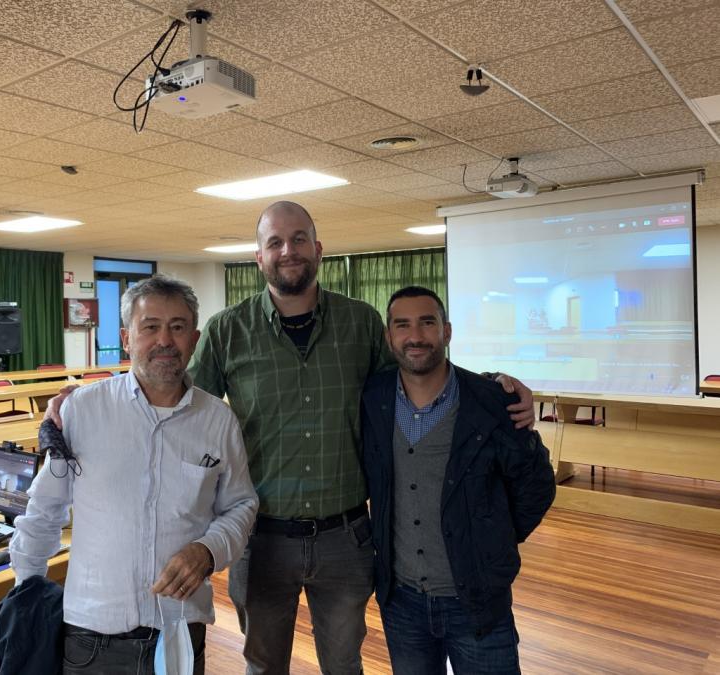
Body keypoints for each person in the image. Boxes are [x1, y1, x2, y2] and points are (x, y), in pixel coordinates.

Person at [46, 201, 536, 674]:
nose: (288, 251)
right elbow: (171, 397)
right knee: (263, 666)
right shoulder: (227, 330)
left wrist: (490, 386)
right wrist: (87, 400)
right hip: (262, 539)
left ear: (317, 249)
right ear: (259, 257)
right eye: (275, 242)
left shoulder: (360, 322)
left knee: (343, 665)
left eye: (299, 239)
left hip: (346, 537)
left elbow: (416, 374)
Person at [10, 275, 258, 675]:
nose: (165, 340)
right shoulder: (81, 410)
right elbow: (44, 509)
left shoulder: (218, 421)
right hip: (92, 636)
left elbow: (241, 504)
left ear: (194, 340)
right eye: (150, 327)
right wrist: (27, 595)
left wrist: (208, 550)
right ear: (127, 338)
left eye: (178, 327)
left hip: (179, 631)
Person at [360, 286, 556, 675]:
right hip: (402, 604)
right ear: (389, 336)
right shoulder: (372, 398)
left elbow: (536, 486)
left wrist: (492, 538)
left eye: (427, 323)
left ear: (446, 332)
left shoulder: (492, 401)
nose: (415, 336)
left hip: (478, 601)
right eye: (403, 325)